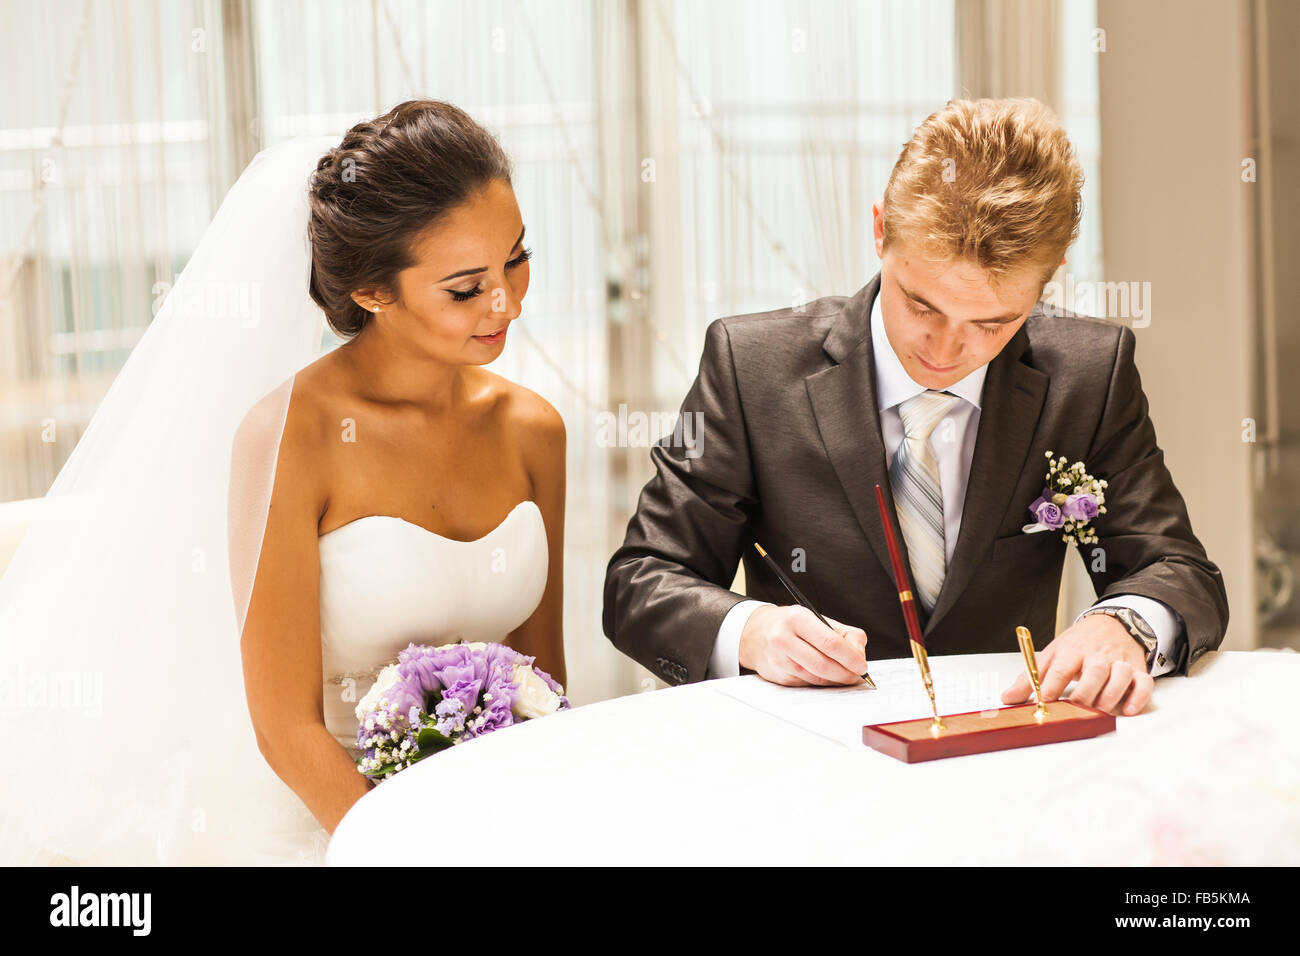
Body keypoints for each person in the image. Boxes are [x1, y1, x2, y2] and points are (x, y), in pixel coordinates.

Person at [0, 99, 565, 865]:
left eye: (517, 258)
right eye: (466, 288)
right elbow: (284, 726)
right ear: (373, 291)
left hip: (497, 815)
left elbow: (544, 677)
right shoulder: (289, 436)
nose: (507, 301)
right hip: (328, 817)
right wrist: (403, 848)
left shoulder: (534, 429)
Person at [603, 98, 1228, 718]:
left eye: (992, 322)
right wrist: (751, 631)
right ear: (880, 229)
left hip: (1007, 750)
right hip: (809, 756)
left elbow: (1176, 568)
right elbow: (641, 579)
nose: (947, 350)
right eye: (922, 305)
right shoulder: (749, 365)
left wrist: (1125, 625)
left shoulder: (1091, 373)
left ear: (1050, 277)